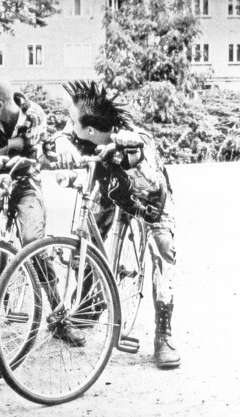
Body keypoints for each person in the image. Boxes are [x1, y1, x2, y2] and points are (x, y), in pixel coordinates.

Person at [54, 80, 180, 369]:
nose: (68, 124)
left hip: (149, 200)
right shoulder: (84, 130)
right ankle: (89, 303)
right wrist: (61, 141)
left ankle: (164, 334)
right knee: (85, 234)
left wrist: (128, 153)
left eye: (73, 121)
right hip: (112, 190)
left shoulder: (133, 138)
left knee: (164, 250)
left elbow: (145, 165)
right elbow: (65, 131)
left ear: (90, 130)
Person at [0, 77, 85, 351]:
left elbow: (37, 158)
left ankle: (59, 317)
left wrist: (15, 167)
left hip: (27, 180)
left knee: (33, 242)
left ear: (0, 105)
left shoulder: (34, 115)